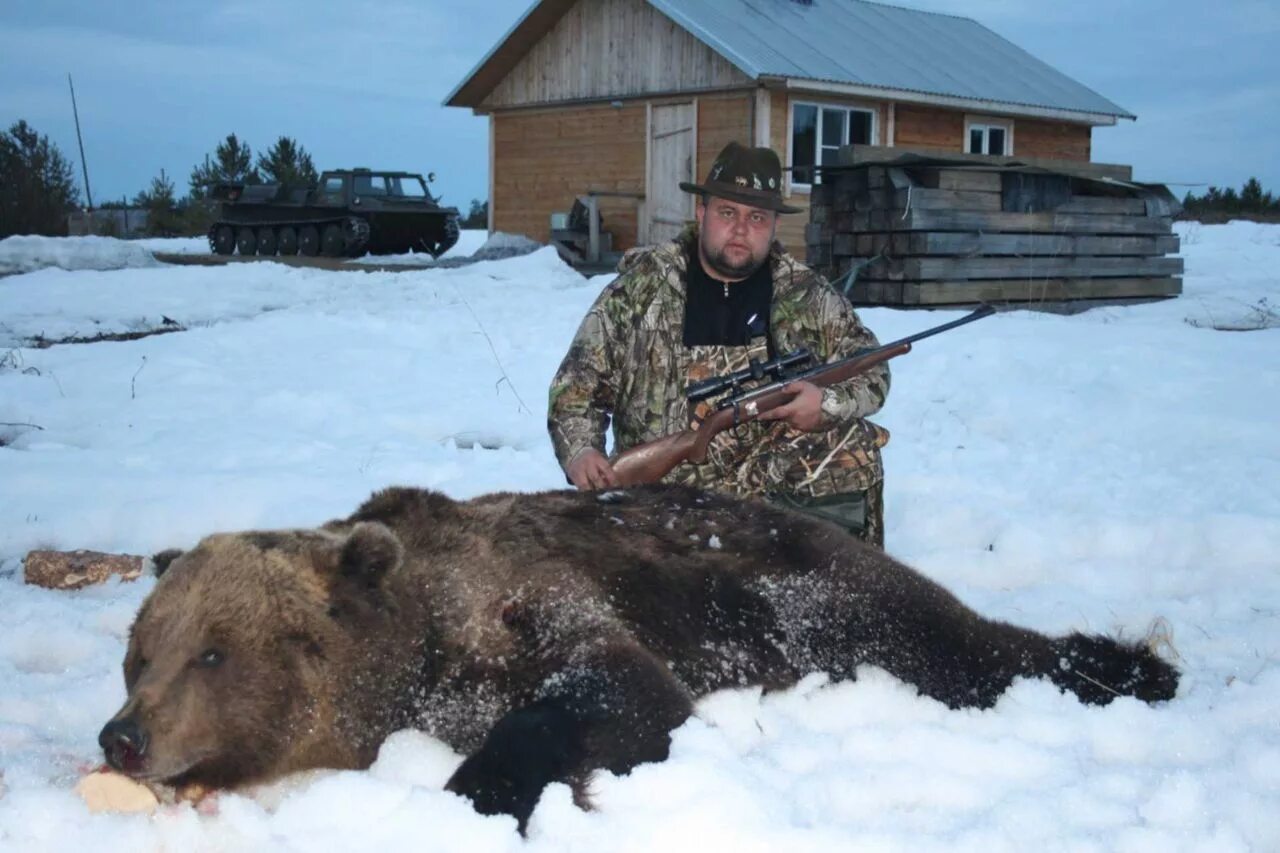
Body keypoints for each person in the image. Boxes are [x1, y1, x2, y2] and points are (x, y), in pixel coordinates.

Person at [547, 142, 891, 547]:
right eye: (728, 212)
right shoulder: (641, 290)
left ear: (774, 226)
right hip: (665, 514)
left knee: (857, 440)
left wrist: (826, 404)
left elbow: (872, 369)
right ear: (701, 213)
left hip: (774, 515)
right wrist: (582, 452)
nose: (741, 229)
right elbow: (575, 389)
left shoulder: (809, 296)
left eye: (757, 217)